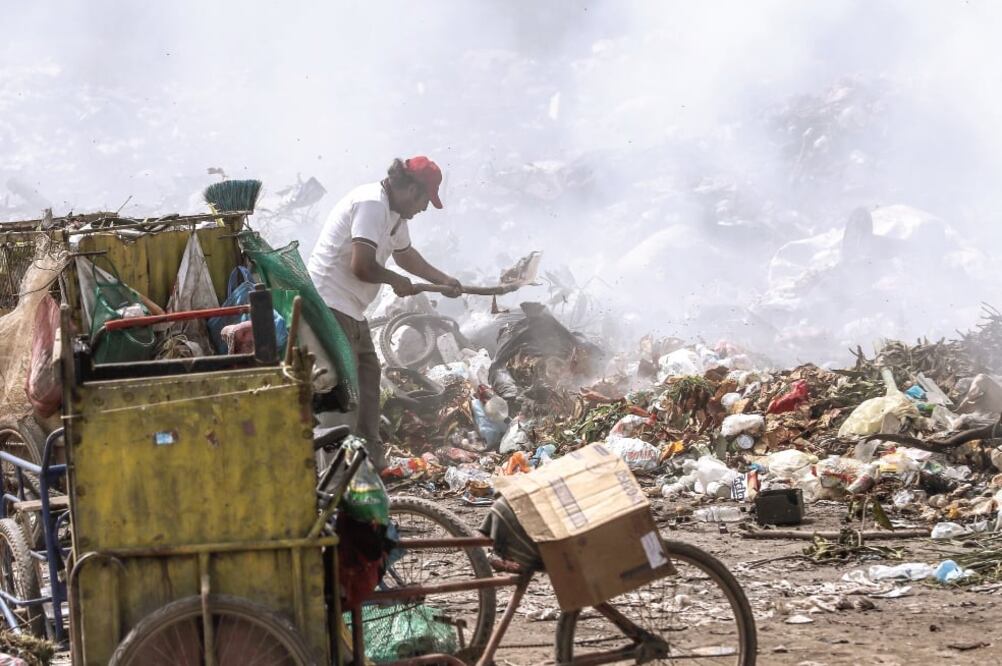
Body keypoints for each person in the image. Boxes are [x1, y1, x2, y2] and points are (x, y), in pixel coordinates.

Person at [307, 156, 461, 468]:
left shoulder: (395, 215)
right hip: (330, 306)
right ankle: (338, 482)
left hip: (352, 310)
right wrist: (395, 281)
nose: (424, 209)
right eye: (424, 201)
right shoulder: (371, 204)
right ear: (411, 189)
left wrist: (443, 280)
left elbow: (406, 257)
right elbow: (361, 265)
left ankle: (368, 467)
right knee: (343, 397)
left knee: (368, 382)